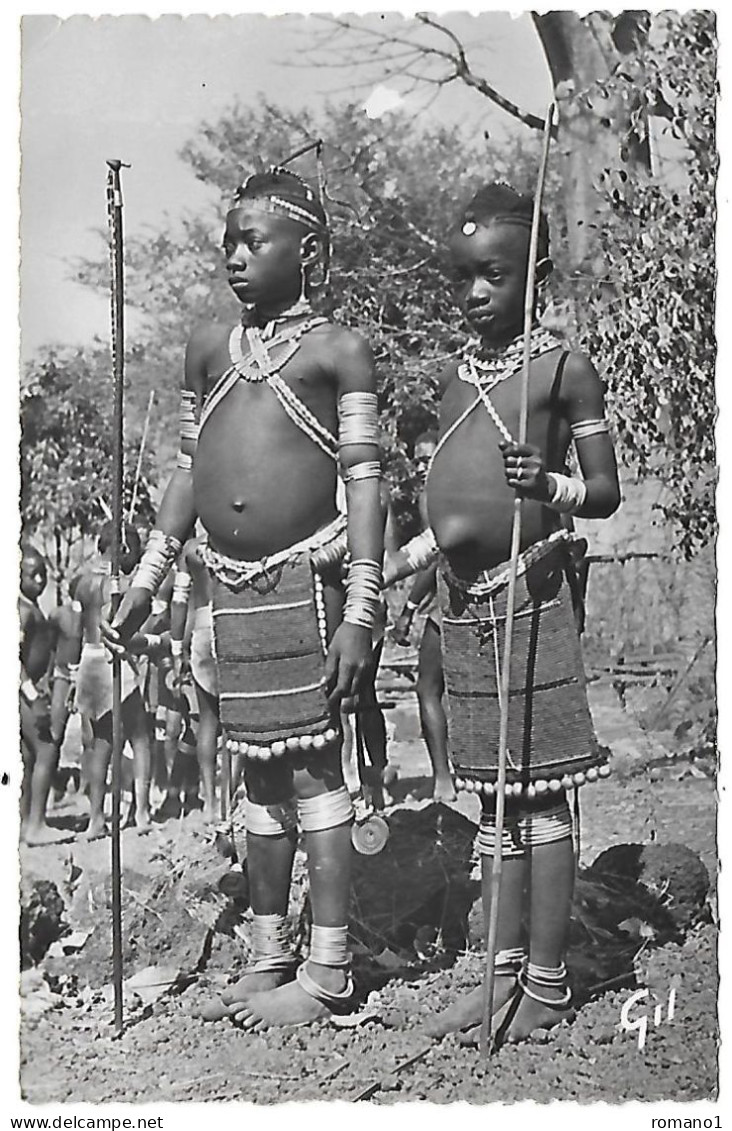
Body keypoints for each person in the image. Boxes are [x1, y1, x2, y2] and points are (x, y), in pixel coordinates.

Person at [106, 165, 383, 1029]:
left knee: (311, 773)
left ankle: (330, 969)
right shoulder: (206, 347)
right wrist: (148, 578)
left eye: (252, 240)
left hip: (307, 587)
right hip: (228, 592)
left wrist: (365, 609)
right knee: (258, 775)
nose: (232, 255)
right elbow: (191, 474)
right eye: (227, 239)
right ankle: (271, 953)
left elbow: (367, 483)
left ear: (309, 253)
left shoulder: (337, 351)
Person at [392, 183, 620, 1044]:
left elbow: (603, 491)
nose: (475, 293)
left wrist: (550, 484)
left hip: (534, 593)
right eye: (464, 278)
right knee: (493, 802)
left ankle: (549, 983)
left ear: (537, 272)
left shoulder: (565, 369)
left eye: (492, 275)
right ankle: (496, 976)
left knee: (544, 797)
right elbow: (446, 505)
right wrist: (408, 566)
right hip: (463, 606)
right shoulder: (455, 379)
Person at [74, 522, 153, 838]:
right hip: (110, 659)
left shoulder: (83, 582)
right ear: (120, 549)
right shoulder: (115, 584)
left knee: (101, 743)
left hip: (88, 659)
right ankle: (143, 811)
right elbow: (124, 624)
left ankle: (96, 818)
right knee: (141, 736)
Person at [390, 431, 455, 802]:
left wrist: (408, 610)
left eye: (427, 457)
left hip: (448, 605)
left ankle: (444, 778)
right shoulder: (457, 488)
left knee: (428, 688)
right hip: (458, 601)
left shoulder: (433, 496)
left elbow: (433, 557)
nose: (420, 464)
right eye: (416, 458)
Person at [19, 544, 69, 845]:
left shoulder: (31, 608)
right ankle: (36, 825)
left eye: (43, 574)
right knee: (47, 749)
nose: (40, 580)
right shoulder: (22, 611)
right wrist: (33, 696)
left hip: (29, 690)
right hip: (24, 692)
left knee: (27, 755)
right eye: (32, 574)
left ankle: (26, 821)